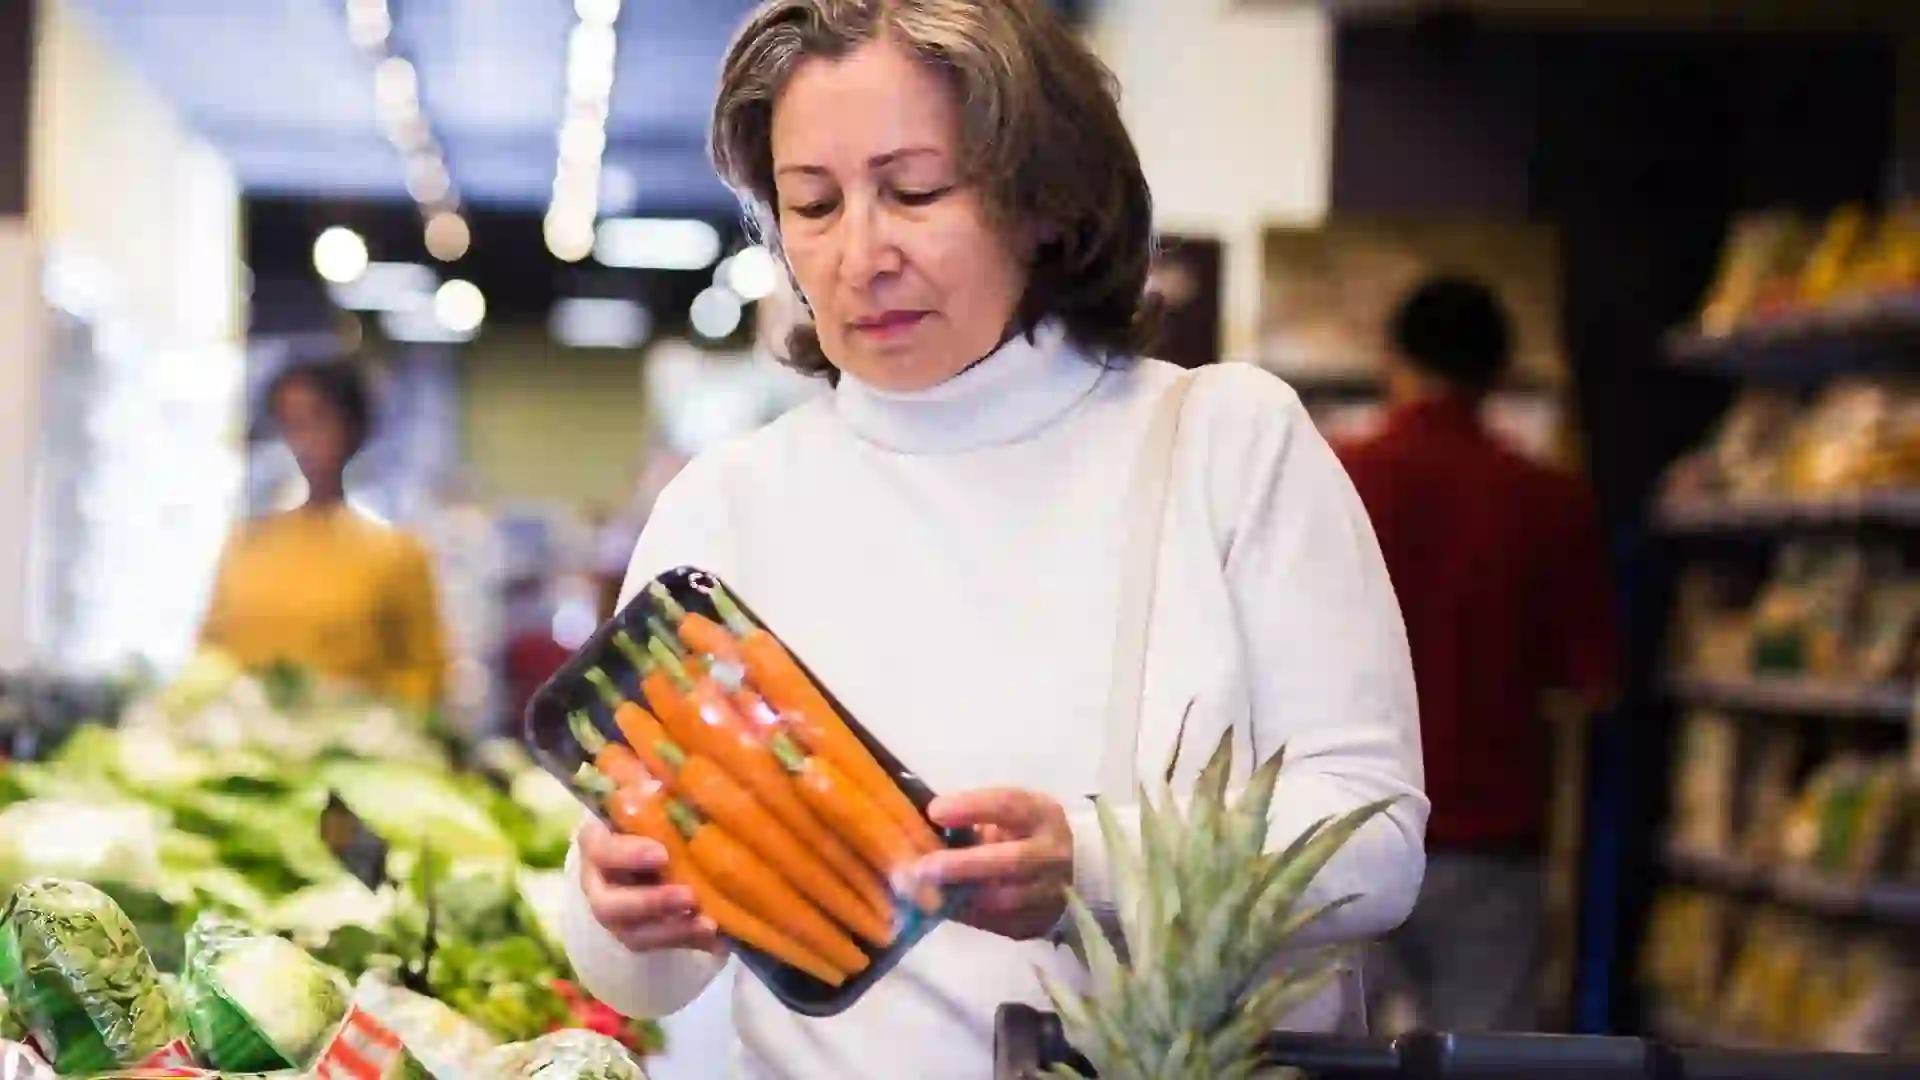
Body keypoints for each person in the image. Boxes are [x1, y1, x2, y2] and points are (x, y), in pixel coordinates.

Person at [561, 2, 1428, 1076]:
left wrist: (1093, 862)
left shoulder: (1224, 444)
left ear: (1043, 201)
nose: (858, 255)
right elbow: (650, 975)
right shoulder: (728, 506)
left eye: (914, 191)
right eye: (812, 205)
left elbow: (1377, 843)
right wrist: (618, 911)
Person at [1334, 276, 1622, 1033]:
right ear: (1498, 372)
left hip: (1342, 836)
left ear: (1393, 359)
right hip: (1494, 843)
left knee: (1326, 1052)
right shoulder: (1549, 498)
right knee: (1489, 1058)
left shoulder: (1338, 477)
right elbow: (1592, 685)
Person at [199, 359, 448, 710]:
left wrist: (357, 717)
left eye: (316, 421)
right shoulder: (244, 547)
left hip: (352, 752)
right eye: (288, 425)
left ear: (352, 428)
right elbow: (211, 656)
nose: (302, 442)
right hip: (244, 746)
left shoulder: (397, 554)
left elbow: (425, 676)